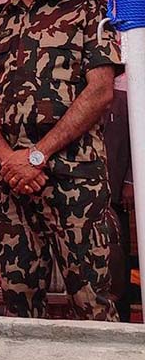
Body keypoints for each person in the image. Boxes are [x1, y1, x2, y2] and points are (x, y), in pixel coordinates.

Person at [0, 0, 121, 321]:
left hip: (74, 179)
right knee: (18, 307)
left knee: (92, 303)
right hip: (10, 184)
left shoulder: (86, 9)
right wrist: (9, 160)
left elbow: (100, 90)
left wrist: (36, 155)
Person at [104, 76, 136, 322]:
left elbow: (138, 141)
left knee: (119, 256)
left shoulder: (129, 91)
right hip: (86, 191)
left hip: (117, 191)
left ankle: (121, 317)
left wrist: (130, 181)